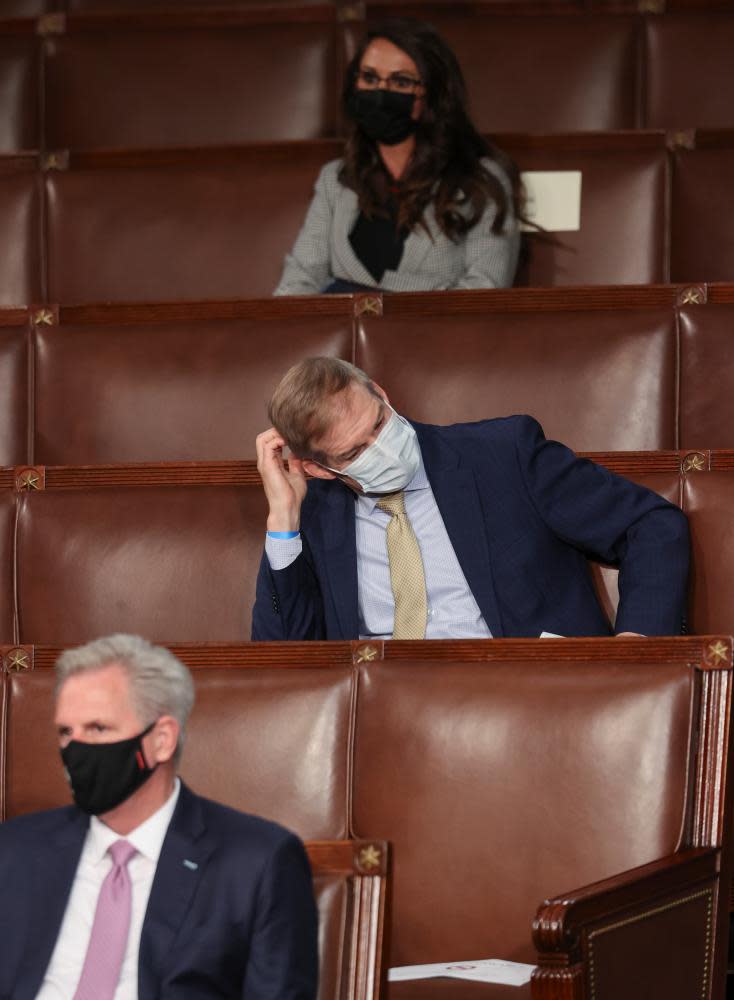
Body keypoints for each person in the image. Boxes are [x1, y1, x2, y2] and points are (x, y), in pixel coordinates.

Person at [252, 358, 689, 641]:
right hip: (388, 723)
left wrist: (636, 645)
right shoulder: (315, 511)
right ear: (319, 468)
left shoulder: (504, 454)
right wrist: (284, 522)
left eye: (379, 423)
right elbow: (284, 663)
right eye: (355, 452)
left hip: (526, 697)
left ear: (382, 394)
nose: (382, 446)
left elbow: (650, 525)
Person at [0, 634, 318, 1000]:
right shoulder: (14, 850)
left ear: (162, 739)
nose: (76, 750)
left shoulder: (256, 863)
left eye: (98, 728)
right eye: (66, 733)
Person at [275, 18, 521, 295]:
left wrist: (375, 301)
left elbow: (485, 289)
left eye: (400, 82)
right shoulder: (334, 179)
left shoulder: (480, 181)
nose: (381, 93)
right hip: (344, 338)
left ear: (432, 94)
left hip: (436, 338)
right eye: (369, 78)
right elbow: (297, 284)